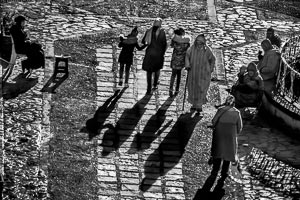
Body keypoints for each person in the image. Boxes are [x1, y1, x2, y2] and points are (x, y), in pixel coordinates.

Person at [202, 95, 242, 192]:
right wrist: (235, 132)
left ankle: (215, 169)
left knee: (218, 149)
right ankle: (224, 172)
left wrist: (215, 126)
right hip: (230, 133)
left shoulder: (221, 109)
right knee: (228, 151)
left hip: (220, 131)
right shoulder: (237, 112)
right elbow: (239, 127)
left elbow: (214, 120)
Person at [185, 34, 216, 114]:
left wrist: (211, 69)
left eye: (200, 43)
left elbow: (212, 59)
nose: (198, 44)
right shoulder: (192, 49)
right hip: (193, 72)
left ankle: (199, 105)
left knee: (202, 89)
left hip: (203, 73)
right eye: (197, 42)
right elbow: (187, 56)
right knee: (193, 88)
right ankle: (194, 105)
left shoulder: (207, 50)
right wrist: (187, 65)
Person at [141, 18, 167, 95]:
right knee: (157, 70)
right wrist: (163, 52)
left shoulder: (149, 30)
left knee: (149, 71)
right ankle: (155, 85)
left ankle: (148, 88)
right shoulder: (162, 32)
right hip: (158, 54)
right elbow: (164, 43)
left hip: (149, 53)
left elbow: (143, 41)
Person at [169, 28, 190, 97]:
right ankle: (177, 89)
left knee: (173, 75)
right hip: (181, 61)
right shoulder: (186, 41)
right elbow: (188, 49)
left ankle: (170, 89)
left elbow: (171, 45)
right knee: (179, 75)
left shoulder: (175, 41)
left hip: (175, 59)